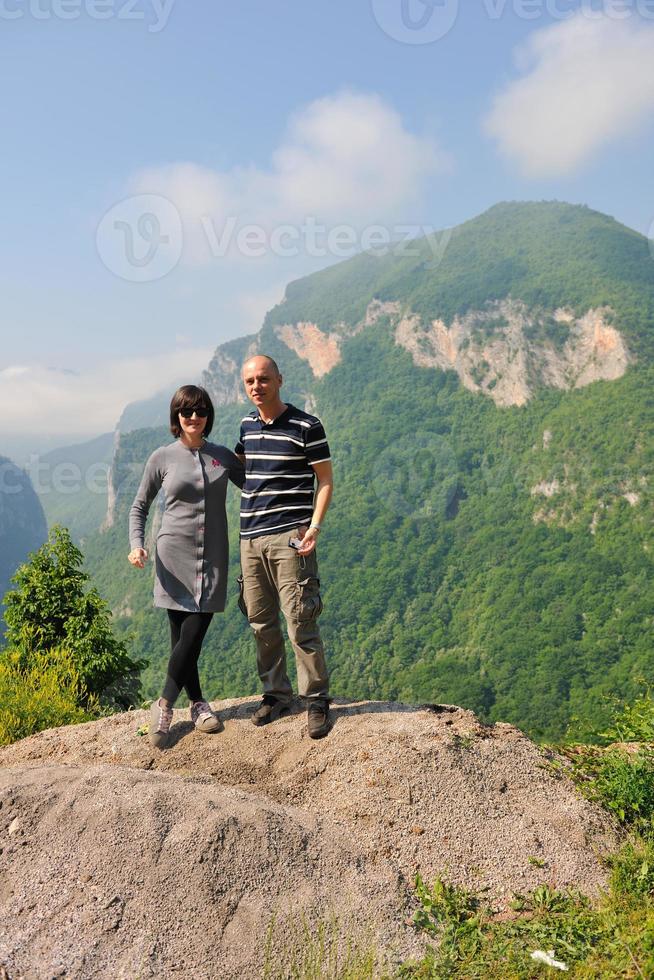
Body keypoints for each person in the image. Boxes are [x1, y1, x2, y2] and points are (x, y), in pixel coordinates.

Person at [128, 384, 244, 749]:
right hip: (171, 556)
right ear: (176, 417)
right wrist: (137, 545)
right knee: (182, 639)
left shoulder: (222, 457)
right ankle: (197, 704)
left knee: (192, 634)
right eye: (187, 411)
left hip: (212, 559)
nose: (194, 417)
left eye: (201, 411)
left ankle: (163, 704)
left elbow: (256, 484)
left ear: (208, 415)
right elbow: (139, 507)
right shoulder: (162, 457)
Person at [235, 355, 333, 739]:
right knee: (260, 620)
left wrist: (314, 526)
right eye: (249, 382)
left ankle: (316, 699)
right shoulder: (246, 426)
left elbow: (325, 480)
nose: (256, 386)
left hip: (291, 536)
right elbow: (243, 473)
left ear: (279, 379)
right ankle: (276, 693)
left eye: (263, 379)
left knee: (300, 619)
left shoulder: (307, 425)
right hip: (249, 538)